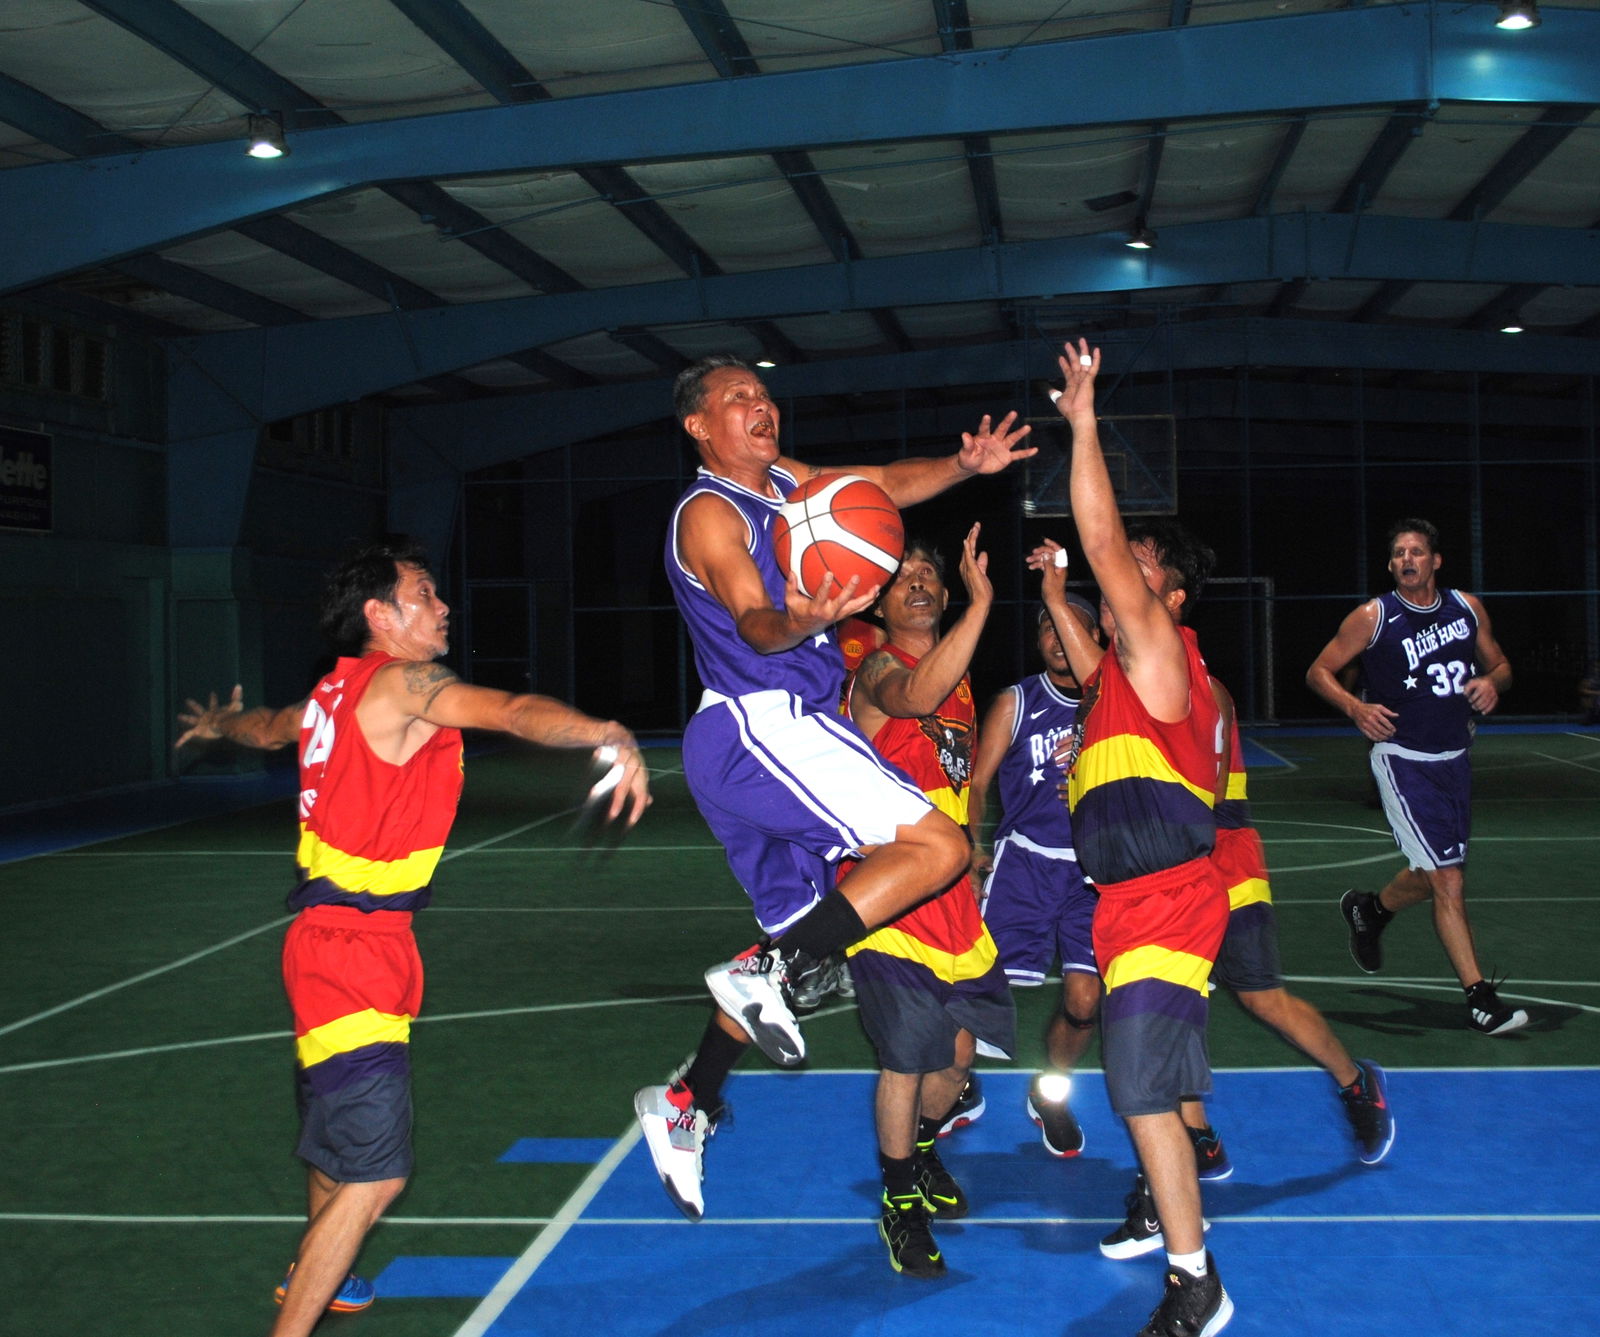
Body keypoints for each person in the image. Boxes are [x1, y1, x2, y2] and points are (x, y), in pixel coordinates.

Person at [174, 538, 650, 1337]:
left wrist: (221, 720)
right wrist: (605, 729)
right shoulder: (402, 682)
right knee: (379, 1175)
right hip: (353, 950)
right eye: (424, 592)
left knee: (334, 1144)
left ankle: (321, 1268)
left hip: (335, 943)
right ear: (380, 615)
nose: (443, 605)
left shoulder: (332, 693)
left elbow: (268, 728)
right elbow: (508, 710)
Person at [634, 354, 1033, 1222]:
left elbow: (883, 482)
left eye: (764, 391)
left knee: (801, 944)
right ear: (699, 426)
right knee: (939, 847)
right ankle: (769, 972)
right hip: (762, 719)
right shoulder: (710, 511)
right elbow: (750, 616)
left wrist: (964, 466)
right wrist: (801, 622)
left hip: (754, 736)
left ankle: (687, 1102)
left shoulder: (785, 481)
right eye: (736, 397)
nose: (760, 403)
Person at [1044, 339, 1233, 1337]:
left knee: (1134, 1077)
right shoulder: (1115, 681)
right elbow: (1083, 622)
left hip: (1168, 895)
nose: (1124, 575)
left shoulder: (1163, 648)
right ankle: (1188, 1239)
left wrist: (1081, 424)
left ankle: (1195, 1278)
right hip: (1125, 901)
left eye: (1141, 571)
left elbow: (1104, 541)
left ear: (1167, 597)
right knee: (1138, 1085)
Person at [843, 530, 1016, 1278]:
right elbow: (915, 696)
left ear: (941, 597)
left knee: (959, 1057)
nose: (916, 581)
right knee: (909, 1058)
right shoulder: (879, 666)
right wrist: (983, 606)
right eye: (901, 574)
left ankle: (917, 1152)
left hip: (950, 893)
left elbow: (965, 780)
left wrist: (973, 847)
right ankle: (899, 1203)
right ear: (881, 602)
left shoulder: (964, 683)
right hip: (889, 887)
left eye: (927, 575)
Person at [1306, 518, 1526, 1035]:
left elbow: (1503, 666)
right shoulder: (1373, 616)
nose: (1408, 559)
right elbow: (1318, 671)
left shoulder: (1467, 608)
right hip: (1402, 760)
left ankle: (1371, 910)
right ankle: (1480, 998)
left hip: (1455, 759)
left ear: (1435, 561)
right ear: (1391, 565)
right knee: (1448, 878)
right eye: (1399, 553)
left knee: (1432, 875)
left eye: (1418, 551)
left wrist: (1493, 682)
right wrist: (1354, 709)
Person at [967, 589, 1103, 1158]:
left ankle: (1051, 1093)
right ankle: (953, 1086)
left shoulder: (1115, 700)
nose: (1055, 634)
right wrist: (973, 850)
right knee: (973, 992)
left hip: (1095, 873)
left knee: (1085, 1001)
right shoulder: (1016, 702)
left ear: (1093, 636)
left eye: (1069, 624)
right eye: (1046, 623)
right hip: (1024, 863)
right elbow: (975, 783)